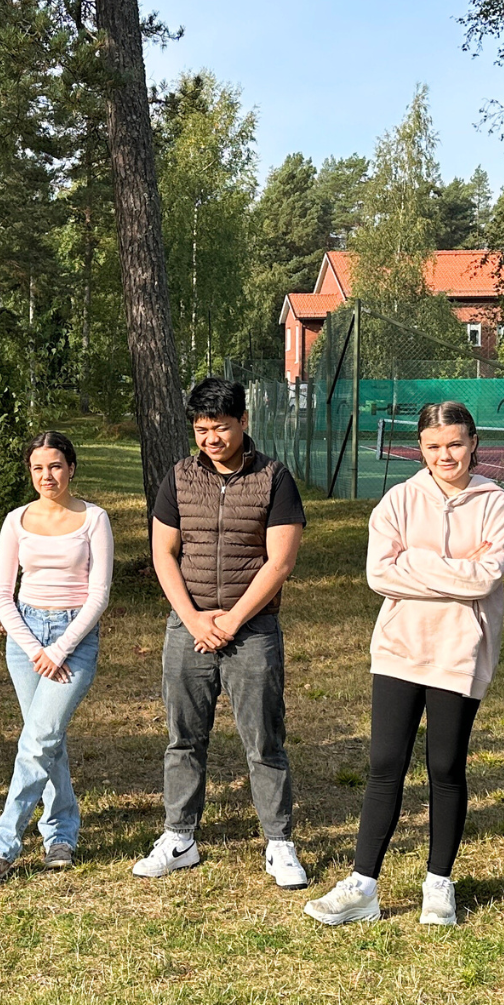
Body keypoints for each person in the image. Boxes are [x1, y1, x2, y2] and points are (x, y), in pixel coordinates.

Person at [303, 401, 504, 928]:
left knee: (445, 767)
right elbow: (380, 574)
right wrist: (453, 569)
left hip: (460, 653)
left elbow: (486, 578)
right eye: (433, 446)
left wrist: (415, 564)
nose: (446, 455)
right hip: (400, 649)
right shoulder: (398, 500)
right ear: (419, 449)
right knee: (383, 765)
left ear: (474, 443)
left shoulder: (496, 503)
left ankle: (438, 885)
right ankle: (363, 885)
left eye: (455, 444)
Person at [134, 377, 308, 889]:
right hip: (187, 627)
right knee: (183, 739)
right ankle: (179, 838)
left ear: (243, 423)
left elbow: (280, 561)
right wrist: (192, 620)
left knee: (264, 740)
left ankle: (279, 844)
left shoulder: (275, 478)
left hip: (252, 630)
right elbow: (164, 553)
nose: (210, 439)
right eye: (200, 429)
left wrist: (231, 621)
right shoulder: (179, 477)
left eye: (220, 428)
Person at [0, 432, 114, 885]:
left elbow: (99, 594)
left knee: (38, 740)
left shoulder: (94, 519)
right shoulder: (15, 520)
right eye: (37, 468)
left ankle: (0, 846)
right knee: (46, 739)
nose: (46, 476)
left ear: (71, 468)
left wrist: (60, 649)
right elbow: (2, 595)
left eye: (54, 466)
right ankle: (61, 833)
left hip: (74, 639)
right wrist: (34, 649)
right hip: (25, 638)